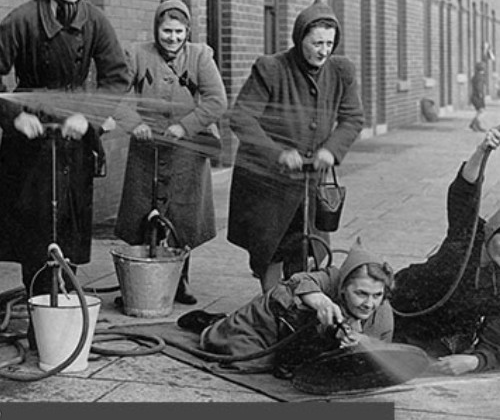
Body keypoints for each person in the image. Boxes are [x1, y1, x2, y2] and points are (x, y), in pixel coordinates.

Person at [0, 0, 129, 341]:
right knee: (34, 232)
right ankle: (43, 322)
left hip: (73, 142)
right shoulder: (20, 20)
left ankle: (62, 311)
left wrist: (86, 115)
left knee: (67, 227)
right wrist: (14, 115)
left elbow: (117, 78)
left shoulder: (95, 22)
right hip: (29, 144)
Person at [227, 0, 365, 293]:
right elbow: (241, 118)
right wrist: (277, 154)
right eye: (317, 43)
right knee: (270, 248)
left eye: (329, 44)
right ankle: (271, 306)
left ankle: (300, 305)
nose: (324, 51)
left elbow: (353, 118)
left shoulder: (341, 72)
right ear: (300, 37)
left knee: (309, 249)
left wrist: (331, 149)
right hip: (267, 179)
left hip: (311, 181)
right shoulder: (271, 69)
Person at [113, 0, 227, 305]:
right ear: (156, 30)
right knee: (141, 209)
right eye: (167, 31)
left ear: (187, 32)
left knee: (183, 214)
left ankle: (180, 279)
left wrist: (186, 126)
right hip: (147, 147)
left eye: (179, 32)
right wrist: (134, 122)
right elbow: (117, 94)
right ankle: (138, 279)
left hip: (186, 150)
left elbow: (216, 100)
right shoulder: (137, 55)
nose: (173, 38)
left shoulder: (201, 57)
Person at [178, 239, 394, 374]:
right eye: (361, 293)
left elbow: (383, 353)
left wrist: (362, 342)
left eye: (377, 295)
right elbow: (298, 281)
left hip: (295, 334)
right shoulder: (332, 278)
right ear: (344, 286)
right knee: (250, 363)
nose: (369, 303)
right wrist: (321, 301)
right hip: (270, 317)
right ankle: (213, 325)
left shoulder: (383, 315)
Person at [392, 127, 500, 375]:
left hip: (439, 339)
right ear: (494, 228)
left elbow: (496, 338)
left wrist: (475, 361)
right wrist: (482, 151)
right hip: (401, 304)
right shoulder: (469, 230)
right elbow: (463, 190)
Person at [469, 61, 487, 132]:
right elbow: (479, 87)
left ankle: (474, 124)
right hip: (478, 96)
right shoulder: (480, 77)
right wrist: (480, 94)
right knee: (481, 111)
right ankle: (475, 125)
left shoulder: (475, 76)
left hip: (474, 96)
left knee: (479, 111)